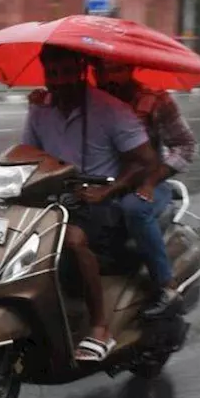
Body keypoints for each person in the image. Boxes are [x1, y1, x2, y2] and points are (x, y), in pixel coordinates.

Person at [19, 45, 159, 363]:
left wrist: (108, 192)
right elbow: (26, 153)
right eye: (53, 74)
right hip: (57, 199)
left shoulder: (109, 110)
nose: (60, 80)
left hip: (100, 201)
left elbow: (145, 161)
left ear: (81, 71)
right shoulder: (39, 110)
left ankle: (100, 328)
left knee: (71, 240)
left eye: (67, 72)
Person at [31, 59, 199, 318]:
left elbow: (185, 146)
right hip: (98, 182)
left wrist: (151, 181)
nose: (107, 76)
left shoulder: (155, 100)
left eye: (116, 69)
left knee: (133, 209)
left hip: (144, 183)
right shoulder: (90, 102)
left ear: (131, 68)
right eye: (100, 70)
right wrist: (49, 101)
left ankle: (166, 286)